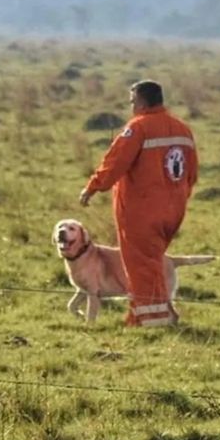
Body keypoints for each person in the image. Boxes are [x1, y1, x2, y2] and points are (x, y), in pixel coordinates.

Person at [79, 80, 198, 326]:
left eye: (133, 101)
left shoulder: (138, 128)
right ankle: (160, 314)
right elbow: (192, 172)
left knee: (141, 264)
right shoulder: (182, 129)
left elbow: (115, 162)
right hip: (173, 210)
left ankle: (149, 320)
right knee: (153, 260)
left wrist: (93, 186)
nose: (132, 106)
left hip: (142, 211)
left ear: (142, 101)